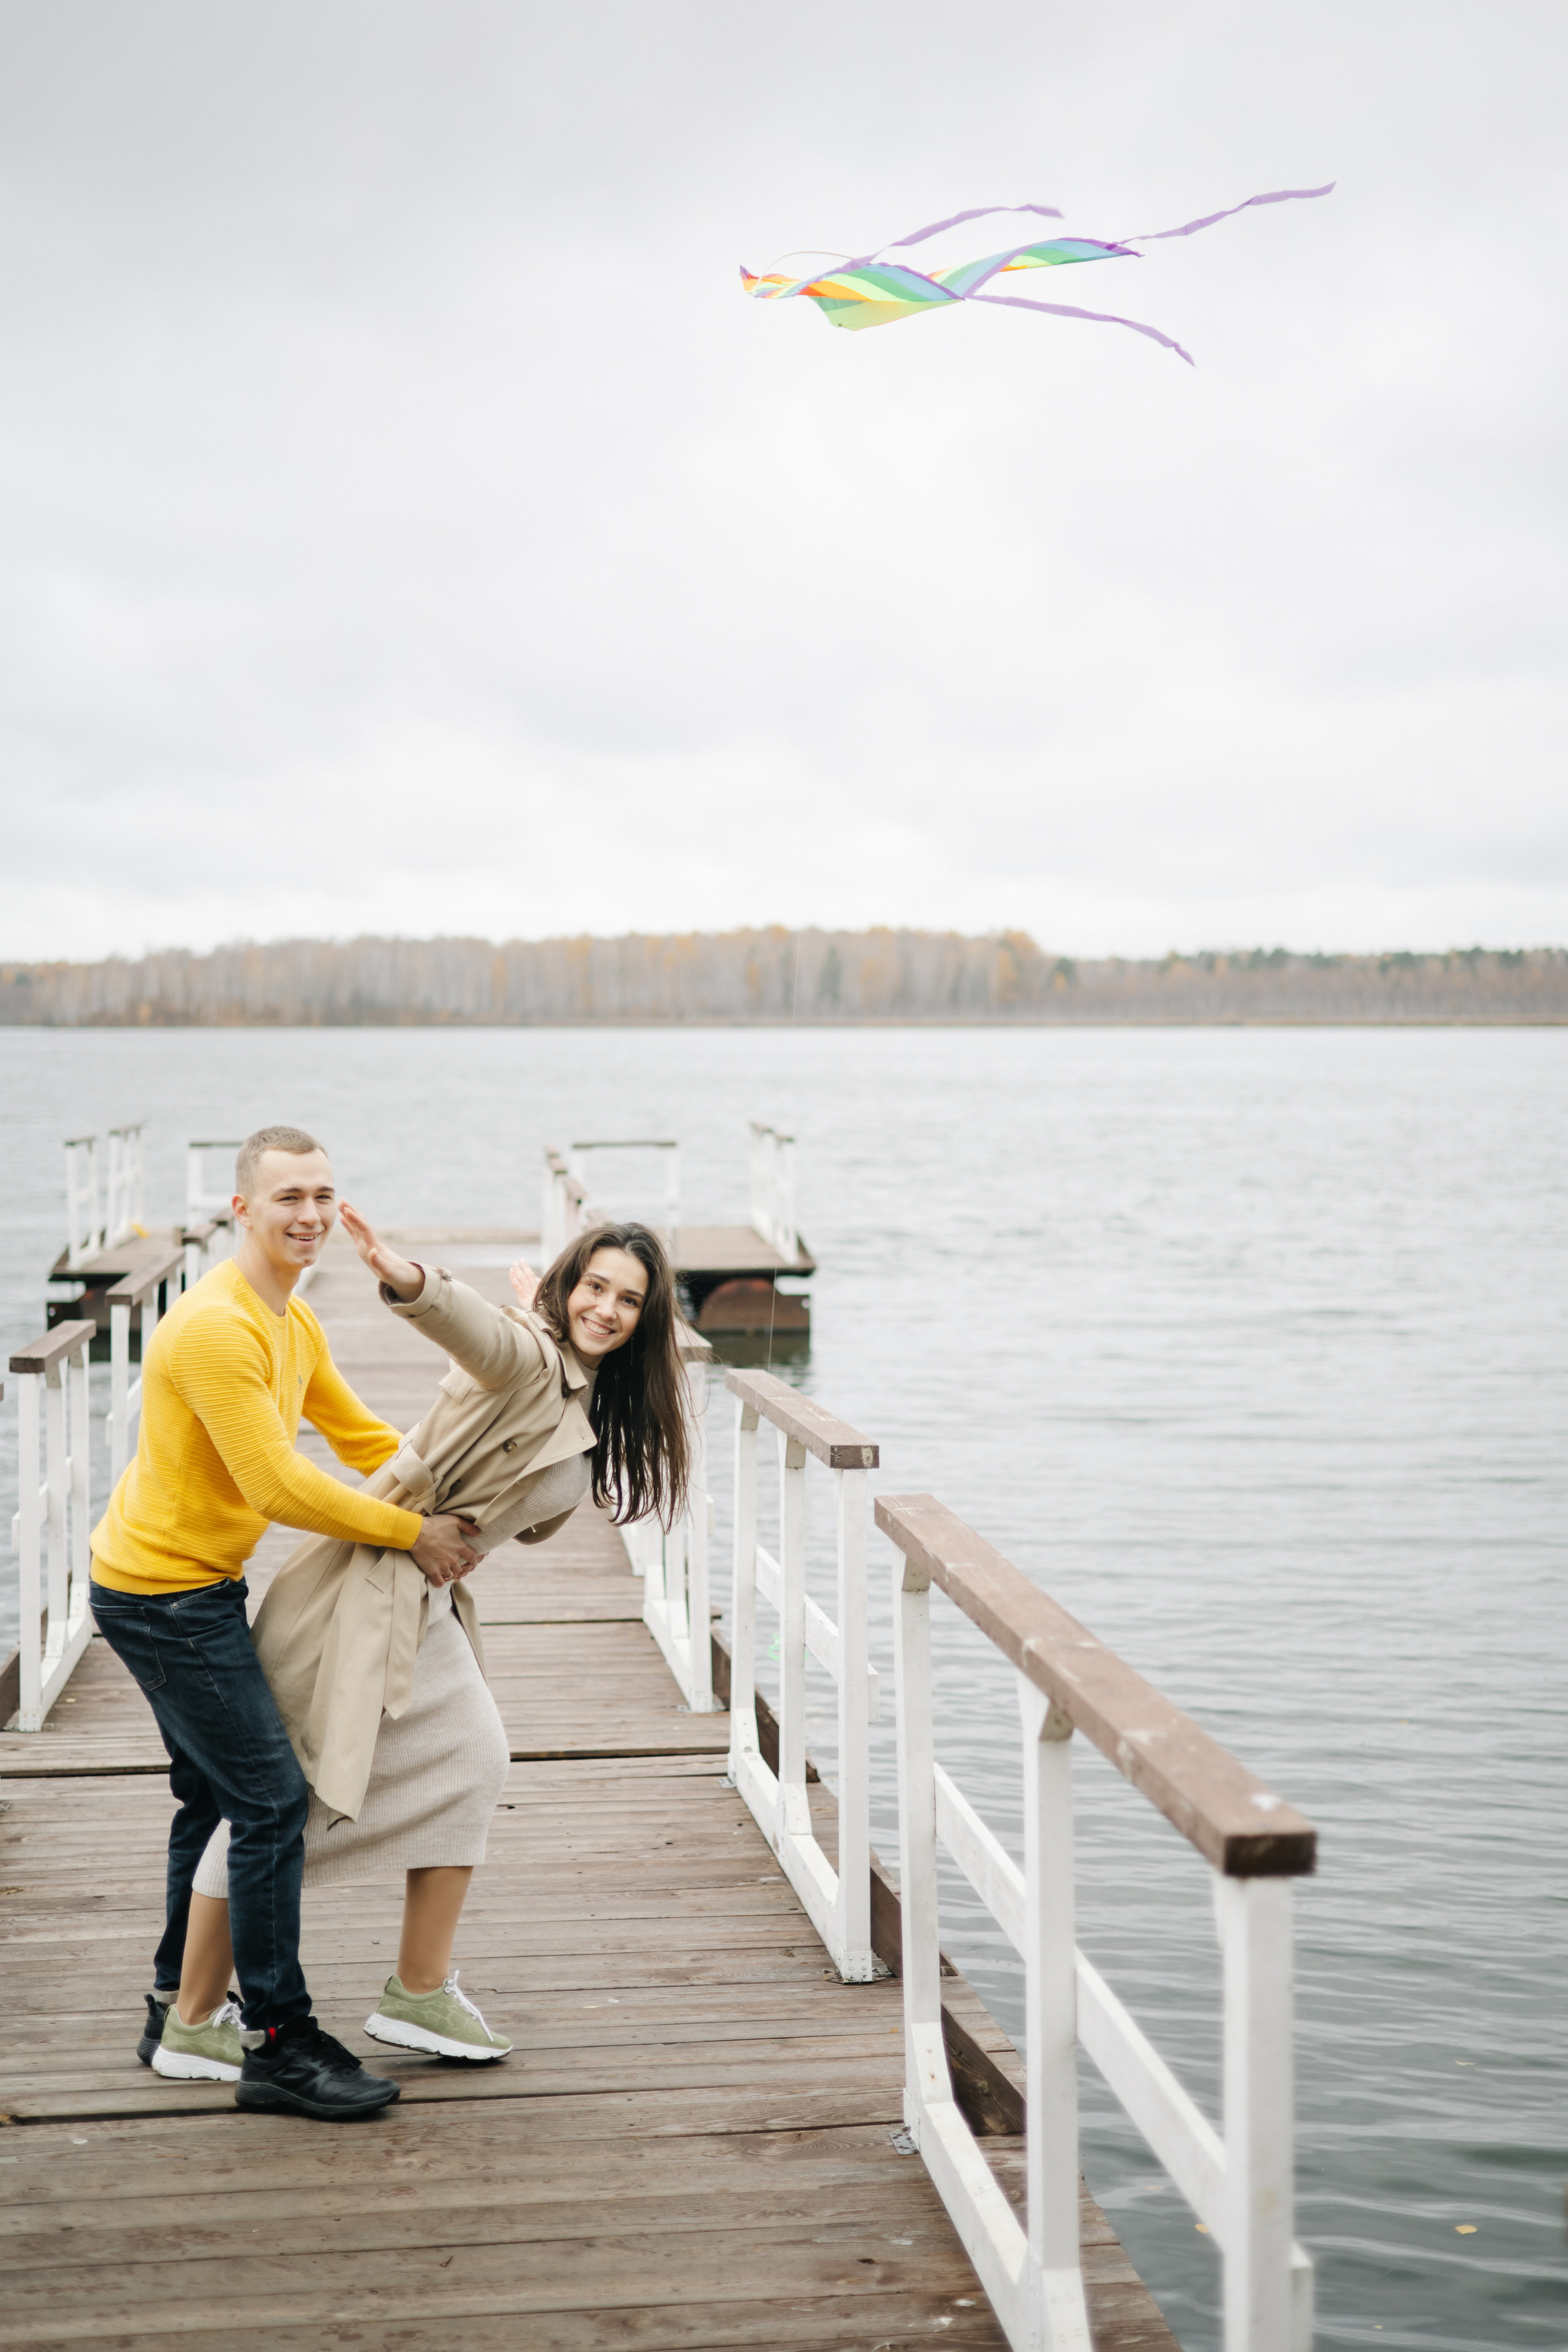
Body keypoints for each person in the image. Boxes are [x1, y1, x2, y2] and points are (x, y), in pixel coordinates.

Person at [168, 1207, 693, 2070]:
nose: (607, 1308)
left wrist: (543, 1316)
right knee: (288, 1796)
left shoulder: (578, 1381)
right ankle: (198, 2015)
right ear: (567, 1286)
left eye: (627, 1300)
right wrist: (405, 1277)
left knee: (464, 1761)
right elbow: (476, 1332)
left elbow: (529, 1517)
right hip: (372, 1578)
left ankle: (417, 1990)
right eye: (593, 1286)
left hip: (421, 1591)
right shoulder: (527, 1358)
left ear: (647, 1320)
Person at [89, 1126, 481, 2121]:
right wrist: (410, 1533)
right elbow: (275, 1484)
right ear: (242, 1210)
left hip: (194, 1587)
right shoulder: (216, 1326)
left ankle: (178, 2014)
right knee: (270, 1802)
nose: (308, 1215)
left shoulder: (291, 1323)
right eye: (287, 1198)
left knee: (211, 1801)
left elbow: (362, 1438)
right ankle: (277, 2041)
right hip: (160, 1598)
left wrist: (471, 1494)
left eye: (323, 1194)